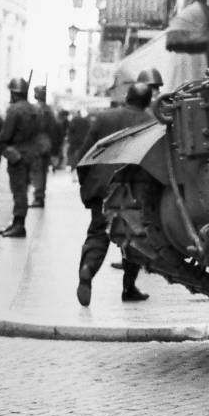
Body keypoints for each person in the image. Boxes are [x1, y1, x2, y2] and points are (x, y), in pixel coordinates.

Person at [75, 82, 154, 306]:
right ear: (147, 100)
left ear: (127, 97)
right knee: (132, 238)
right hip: (133, 190)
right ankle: (129, 287)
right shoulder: (152, 123)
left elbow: (84, 156)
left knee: (98, 232)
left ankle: (88, 268)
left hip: (102, 186)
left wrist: (87, 185)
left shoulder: (103, 118)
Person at [0, 78, 40, 238]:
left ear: (14, 93)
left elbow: (5, 135)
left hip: (17, 155)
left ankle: (19, 225)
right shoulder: (34, 109)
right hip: (30, 155)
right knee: (23, 190)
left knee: (18, 192)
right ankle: (16, 223)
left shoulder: (14, 110)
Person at [29, 85, 59, 208]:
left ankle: (38, 197)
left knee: (37, 171)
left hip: (38, 143)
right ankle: (40, 196)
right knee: (43, 171)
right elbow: (55, 129)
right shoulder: (50, 110)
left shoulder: (35, 109)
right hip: (47, 143)